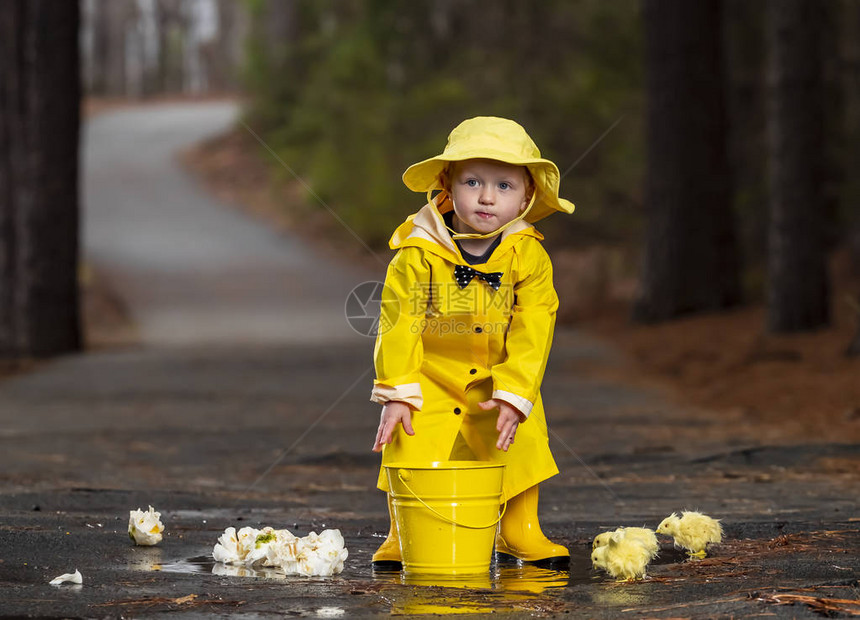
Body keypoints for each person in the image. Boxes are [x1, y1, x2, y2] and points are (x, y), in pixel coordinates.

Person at [369, 116, 575, 569]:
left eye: (504, 186)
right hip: (431, 372)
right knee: (410, 439)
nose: (486, 197)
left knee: (518, 438)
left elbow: (535, 322)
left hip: (498, 372)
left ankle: (519, 528)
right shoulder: (418, 250)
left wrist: (517, 390)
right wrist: (398, 390)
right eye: (473, 181)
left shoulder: (529, 254)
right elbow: (399, 319)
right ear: (446, 184)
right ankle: (403, 533)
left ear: (526, 196)